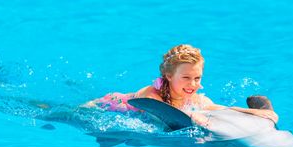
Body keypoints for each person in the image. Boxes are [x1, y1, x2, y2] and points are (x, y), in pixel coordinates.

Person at [82, 44, 278, 124]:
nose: (192, 84)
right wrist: (193, 115)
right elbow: (160, 115)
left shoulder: (194, 98)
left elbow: (221, 109)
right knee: (68, 113)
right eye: (186, 78)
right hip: (107, 106)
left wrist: (258, 113)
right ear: (168, 75)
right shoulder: (150, 95)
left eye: (197, 78)